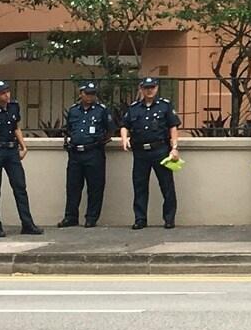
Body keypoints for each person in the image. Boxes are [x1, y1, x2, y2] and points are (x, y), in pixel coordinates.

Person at [0, 80, 41, 237]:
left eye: (7, 91)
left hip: (12, 152)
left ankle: (27, 224)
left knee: (20, 187)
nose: (6, 95)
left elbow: (16, 127)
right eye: (2, 92)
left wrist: (24, 146)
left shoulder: (14, 107)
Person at [119, 77, 181, 230]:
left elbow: (173, 127)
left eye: (152, 87)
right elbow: (124, 125)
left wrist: (174, 147)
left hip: (160, 150)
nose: (149, 90)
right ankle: (140, 219)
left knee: (166, 185)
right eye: (146, 88)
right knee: (139, 186)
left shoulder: (164, 106)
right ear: (141, 89)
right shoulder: (134, 108)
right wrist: (124, 138)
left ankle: (169, 219)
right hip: (140, 152)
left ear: (157, 88)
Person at [60, 81, 112, 228]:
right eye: (87, 93)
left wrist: (99, 142)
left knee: (95, 187)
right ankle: (71, 217)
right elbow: (69, 129)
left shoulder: (101, 110)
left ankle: (91, 217)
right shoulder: (73, 110)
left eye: (93, 94)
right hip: (76, 153)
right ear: (81, 93)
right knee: (72, 187)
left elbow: (110, 130)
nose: (90, 96)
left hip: (93, 152)